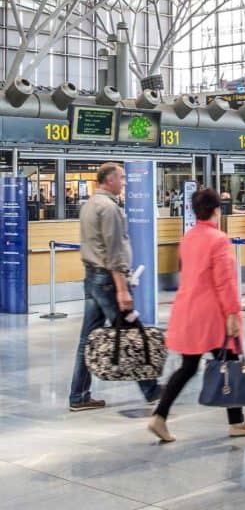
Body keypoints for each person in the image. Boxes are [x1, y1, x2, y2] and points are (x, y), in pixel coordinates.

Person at [148, 189, 245, 442]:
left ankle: (160, 416)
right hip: (214, 316)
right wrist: (233, 313)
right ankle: (237, 422)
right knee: (231, 364)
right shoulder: (219, 239)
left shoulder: (188, 238)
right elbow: (225, 281)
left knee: (188, 367)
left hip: (189, 311)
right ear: (216, 209)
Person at [69, 162, 161, 411]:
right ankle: (152, 390)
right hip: (109, 282)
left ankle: (78, 396)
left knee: (87, 339)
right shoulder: (109, 208)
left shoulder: (89, 205)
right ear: (109, 180)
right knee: (132, 332)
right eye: (121, 177)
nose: (125, 182)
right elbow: (114, 251)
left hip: (92, 277)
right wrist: (121, 288)